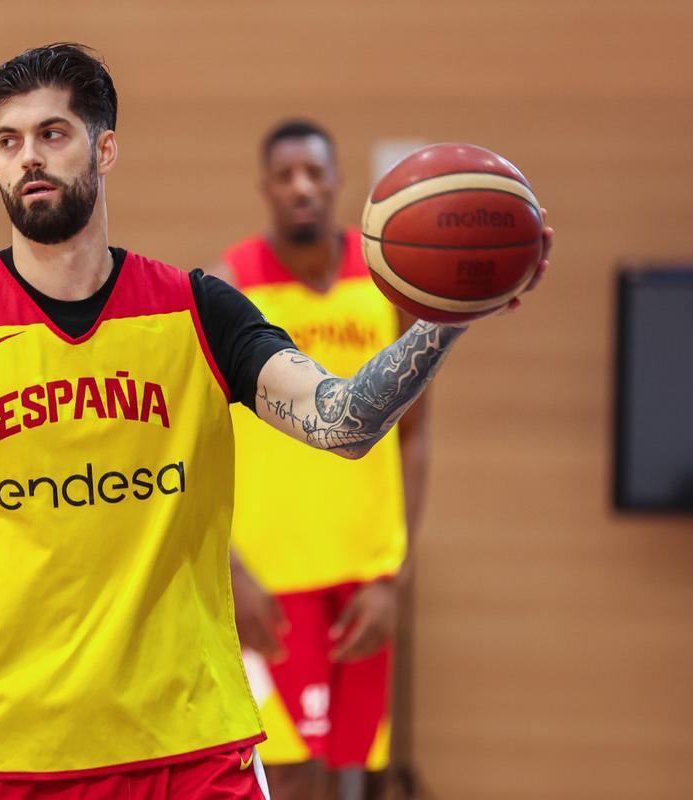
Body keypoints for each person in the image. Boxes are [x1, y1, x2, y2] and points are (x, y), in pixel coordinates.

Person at [0, 43, 549, 800]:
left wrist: (445, 317)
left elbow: (343, 421)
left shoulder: (196, 310)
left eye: (52, 133)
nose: (28, 157)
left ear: (105, 148)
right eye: (9, 141)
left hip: (191, 745)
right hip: (12, 749)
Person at [209, 121, 424, 800]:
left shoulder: (388, 281)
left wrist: (395, 572)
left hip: (363, 580)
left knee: (350, 775)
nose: (301, 187)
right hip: (270, 584)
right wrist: (231, 572)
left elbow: (414, 437)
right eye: (286, 175)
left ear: (337, 184)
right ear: (265, 189)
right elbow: (201, 445)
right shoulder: (231, 285)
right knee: (287, 775)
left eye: (314, 173)